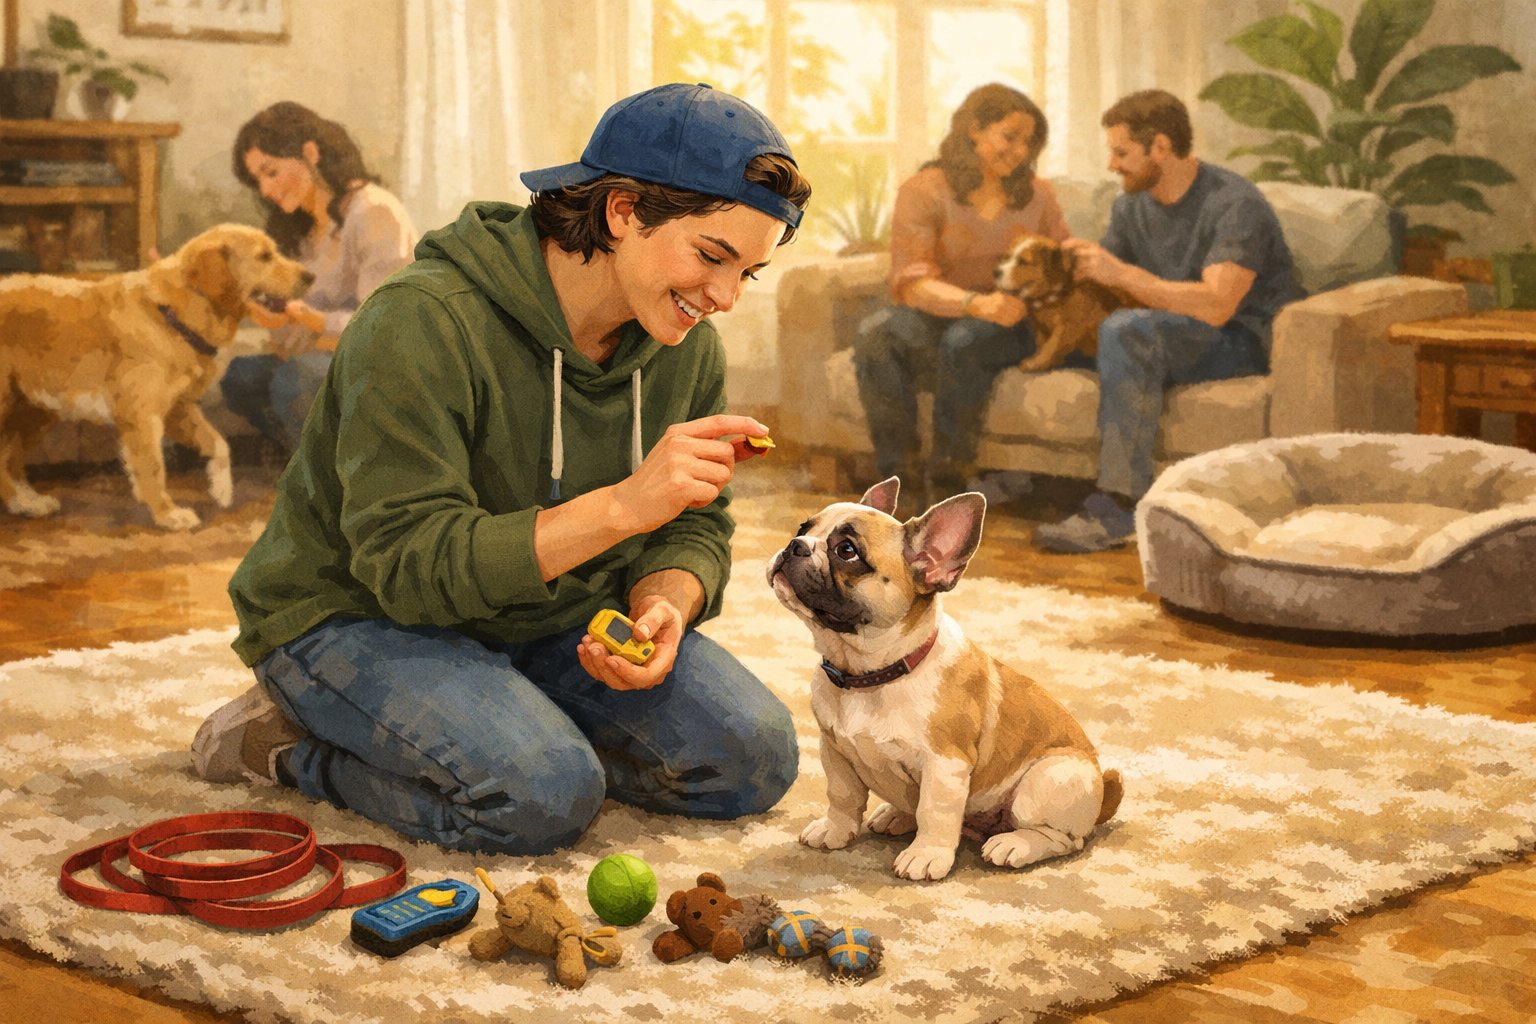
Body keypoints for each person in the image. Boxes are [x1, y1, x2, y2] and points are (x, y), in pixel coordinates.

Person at [190, 83, 811, 856]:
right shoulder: (421, 319)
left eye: (747, 272)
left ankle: (510, 726)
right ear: (622, 212)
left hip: (546, 614)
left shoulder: (684, 346)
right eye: (712, 256)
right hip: (357, 613)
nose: (724, 297)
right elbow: (407, 567)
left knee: (753, 758)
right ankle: (286, 747)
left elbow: (694, 520)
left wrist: (665, 604)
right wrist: (623, 506)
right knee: (541, 797)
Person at [1034, 89, 1304, 553]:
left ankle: (1120, 506)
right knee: (1072, 329)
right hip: (1165, 332)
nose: (1112, 165)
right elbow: (1111, 290)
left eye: (1122, 153)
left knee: (1126, 332)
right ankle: (1023, 480)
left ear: (1160, 147)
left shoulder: (1234, 203)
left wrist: (1122, 275)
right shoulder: (1129, 206)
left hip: (1239, 338)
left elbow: (1218, 305)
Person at [852, 83, 1069, 505]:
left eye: (1028, 143)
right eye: (1010, 137)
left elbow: (1063, 262)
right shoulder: (924, 189)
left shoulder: (1038, 195)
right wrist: (975, 304)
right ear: (974, 129)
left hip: (1016, 319)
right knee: (877, 333)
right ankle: (899, 483)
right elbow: (912, 282)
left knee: (965, 340)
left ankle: (949, 482)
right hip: (942, 312)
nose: (1020, 152)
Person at [221, 102, 417, 453]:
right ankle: (314, 462)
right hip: (324, 358)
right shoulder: (299, 228)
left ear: (310, 153)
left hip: (379, 365)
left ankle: (339, 473)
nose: (265, 190)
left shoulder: (374, 211)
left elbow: (384, 326)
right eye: (258, 180)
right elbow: (294, 336)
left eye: (271, 172)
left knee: (296, 379)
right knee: (241, 377)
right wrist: (278, 320)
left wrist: (316, 322)